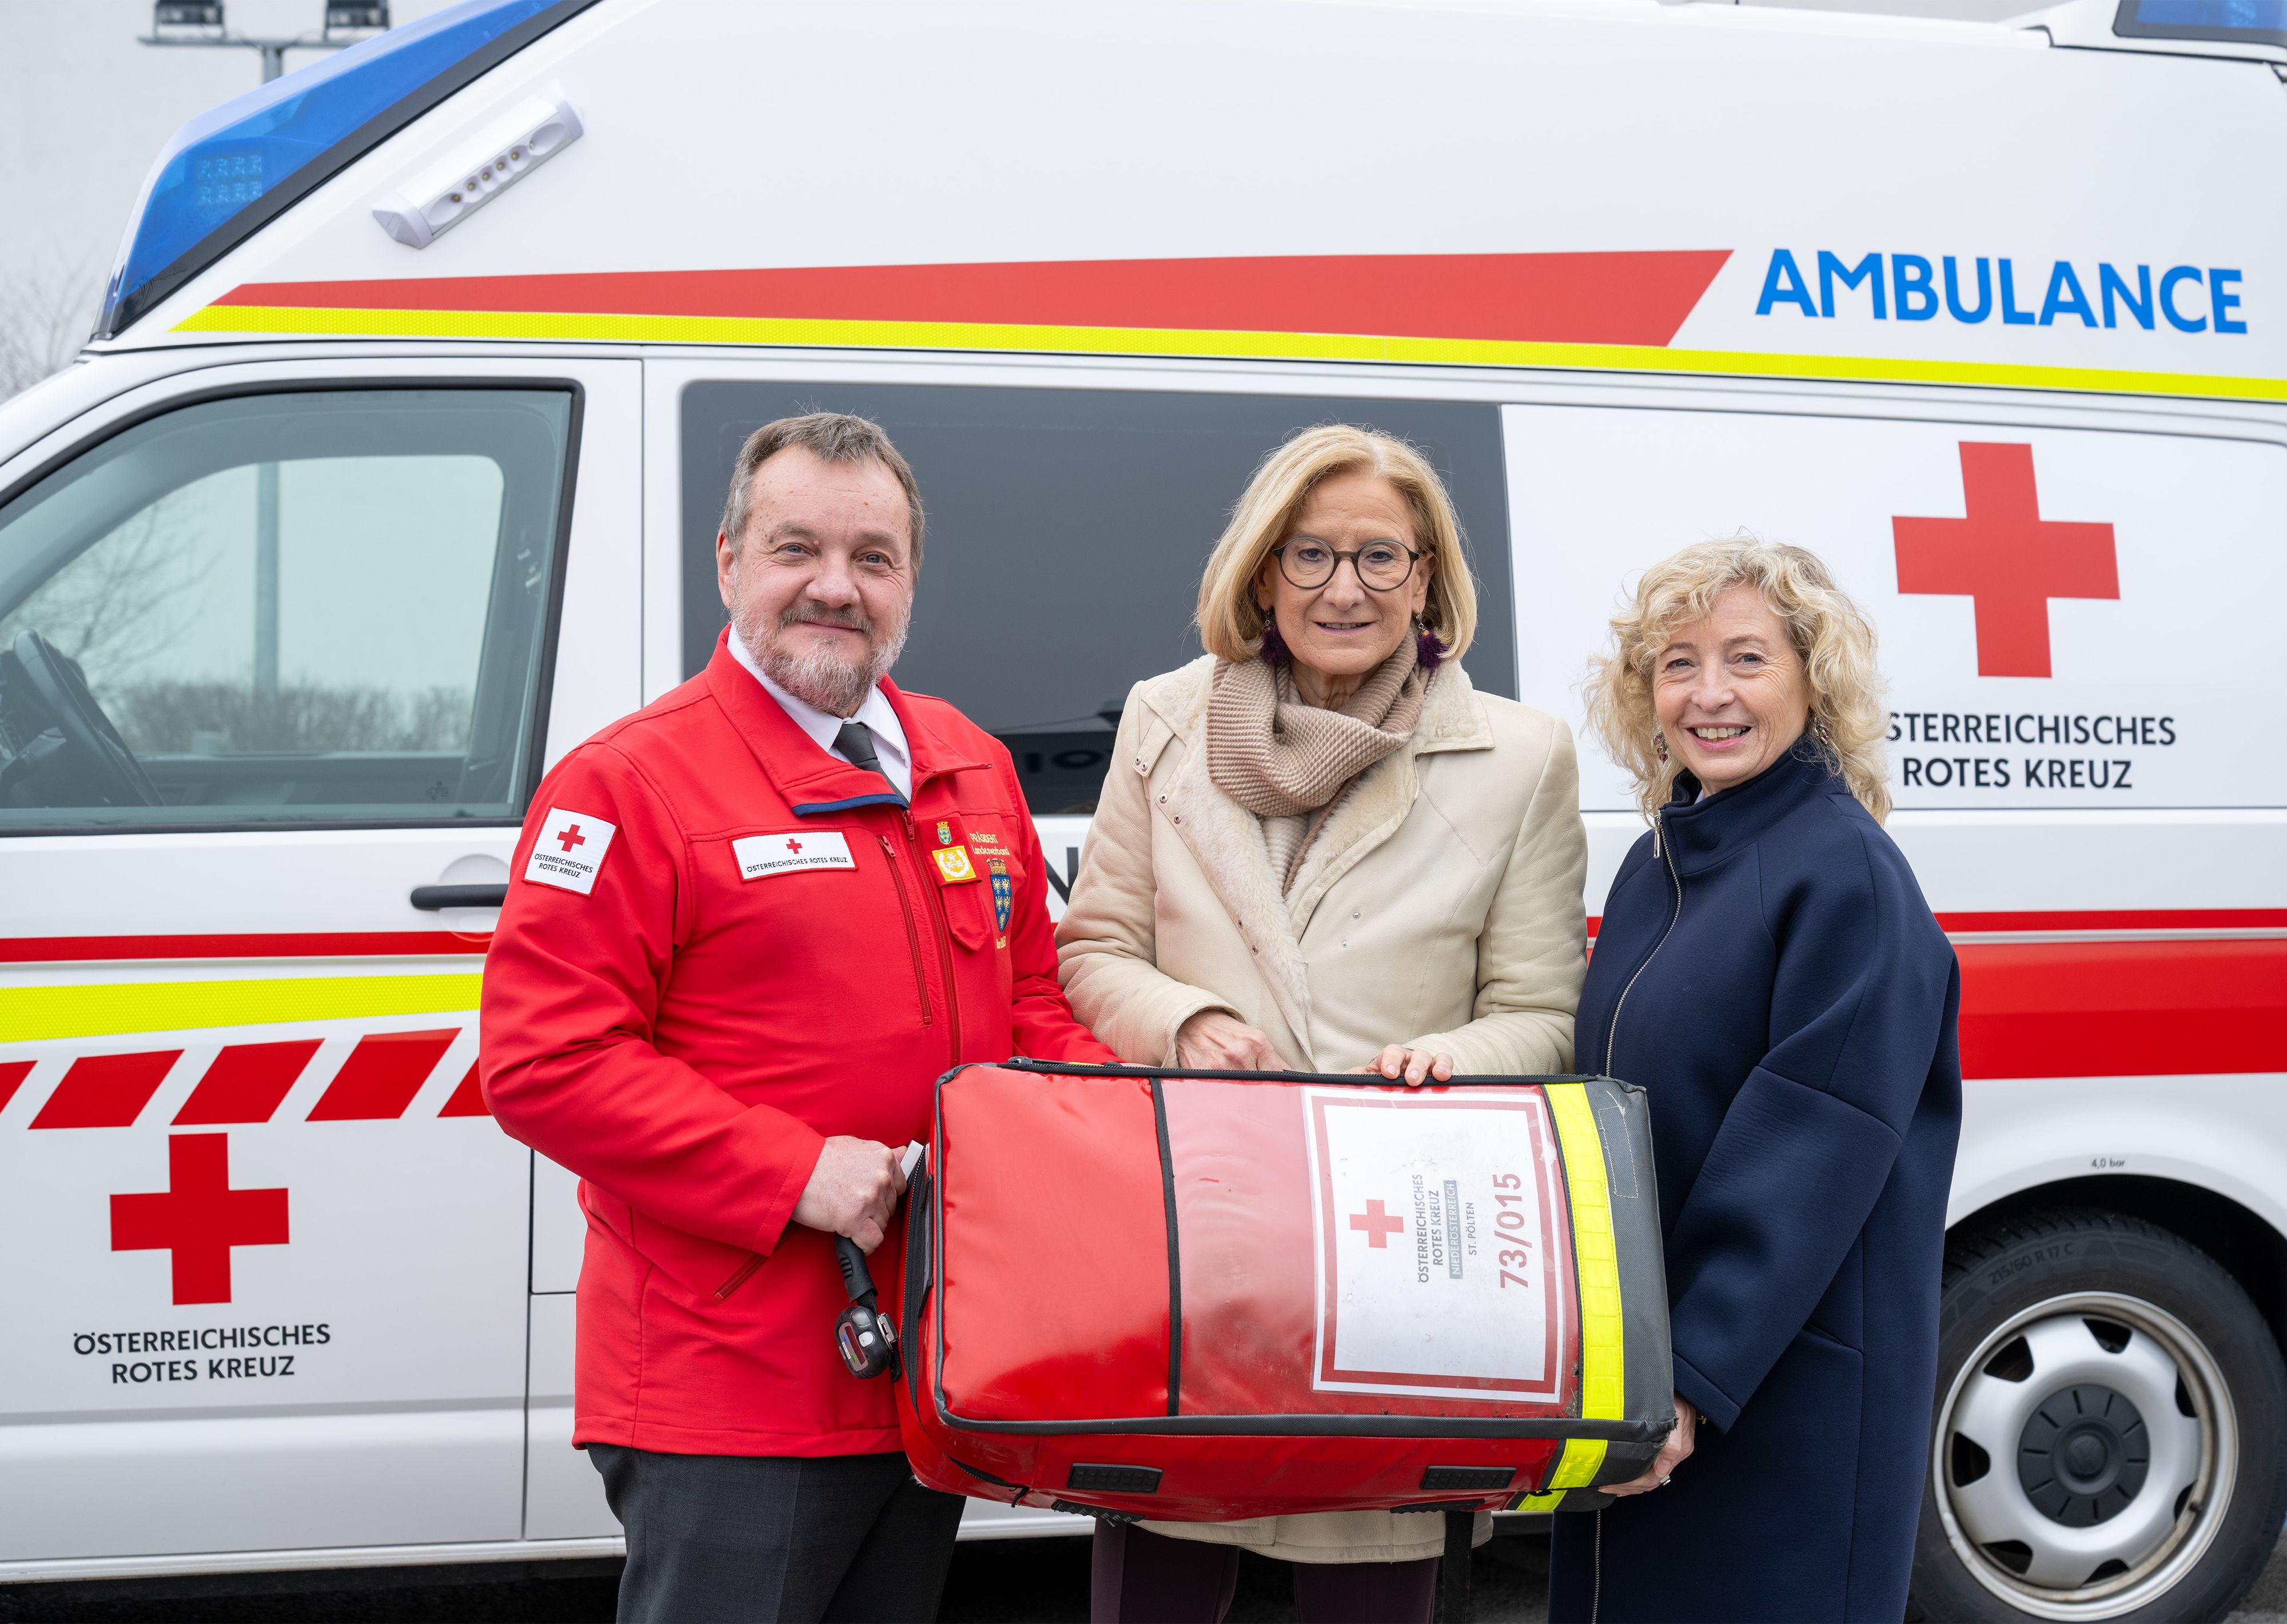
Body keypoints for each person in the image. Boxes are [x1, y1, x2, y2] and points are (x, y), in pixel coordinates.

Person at [481, 412, 1114, 1624]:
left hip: (933, 1359)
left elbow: (1033, 1000)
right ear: (727, 563)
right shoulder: (629, 783)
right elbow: (543, 1060)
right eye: (795, 549)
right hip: (732, 1380)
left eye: (873, 557)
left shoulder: (967, 764)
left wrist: (1145, 1127)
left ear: (909, 583)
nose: (835, 585)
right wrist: (791, 1169)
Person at [1057, 424, 1589, 1624]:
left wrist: (1449, 1058)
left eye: (1377, 557)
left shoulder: (1517, 754)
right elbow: (1093, 948)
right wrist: (1180, 1015)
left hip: (1391, 1253)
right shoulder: (1162, 717)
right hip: (1196, 1246)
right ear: (1258, 570)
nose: (1341, 588)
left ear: (1425, 576)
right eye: (1307, 554)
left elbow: (1538, 1013)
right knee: (1158, 1575)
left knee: (1371, 1587)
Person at [1549, 538, 1962, 1622]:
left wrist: (1682, 1377)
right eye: (1678, 663)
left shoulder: (1847, 874)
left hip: (1774, 1390)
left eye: (1747, 658)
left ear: (1814, 680)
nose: (1709, 694)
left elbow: (1811, 1142)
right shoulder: (1665, 857)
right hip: (1650, 1372)